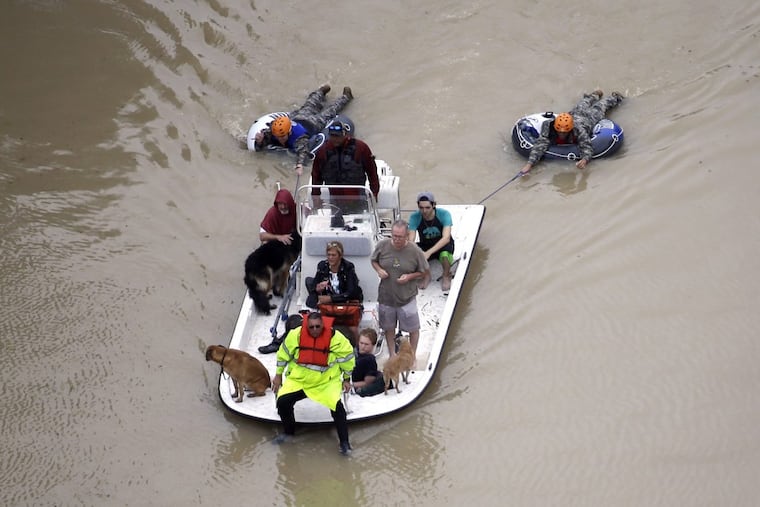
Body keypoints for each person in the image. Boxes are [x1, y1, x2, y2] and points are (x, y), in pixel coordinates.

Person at [272, 312, 356, 456]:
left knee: (338, 408)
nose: (315, 329)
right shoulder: (295, 335)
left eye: (318, 326)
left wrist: (347, 379)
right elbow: (283, 354)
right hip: (301, 380)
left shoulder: (337, 339)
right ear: (306, 326)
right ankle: (289, 433)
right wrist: (278, 375)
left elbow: (347, 360)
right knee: (282, 402)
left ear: (323, 325)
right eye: (311, 327)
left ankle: (344, 443)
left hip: (326, 381)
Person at [253, 84, 354, 176]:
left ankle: (346, 97)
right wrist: (260, 141)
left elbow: (303, 152)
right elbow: (260, 147)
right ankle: (321, 92)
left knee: (330, 111)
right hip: (299, 116)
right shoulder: (274, 131)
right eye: (278, 137)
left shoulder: (299, 138)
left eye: (283, 136)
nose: (280, 139)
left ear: (289, 132)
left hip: (313, 123)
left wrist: (299, 165)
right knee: (310, 104)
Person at [520, 89, 625, 175]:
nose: (562, 134)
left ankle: (616, 97)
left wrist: (584, 160)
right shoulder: (548, 126)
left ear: (569, 129)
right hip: (574, 114)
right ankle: (595, 95)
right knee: (583, 103)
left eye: (564, 132)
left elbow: (587, 146)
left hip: (589, 119)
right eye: (559, 131)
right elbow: (540, 144)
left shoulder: (579, 130)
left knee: (601, 106)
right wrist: (529, 165)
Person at [370, 220, 429, 360]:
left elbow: (424, 271)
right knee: (388, 327)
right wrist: (379, 270)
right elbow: (373, 260)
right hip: (386, 297)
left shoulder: (415, 251)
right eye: (394, 236)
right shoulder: (382, 245)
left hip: (406, 298)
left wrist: (409, 277)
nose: (396, 239)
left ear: (407, 236)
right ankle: (392, 353)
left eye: (400, 237)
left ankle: (412, 355)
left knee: (413, 329)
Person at [310, 120, 379, 210]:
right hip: (335, 201)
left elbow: (372, 172)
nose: (335, 139)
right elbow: (316, 175)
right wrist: (316, 196)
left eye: (337, 136)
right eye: (332, 136)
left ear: (345, 135)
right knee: (336, 222)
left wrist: (374, 193)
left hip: (358, 199)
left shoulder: (361, 148)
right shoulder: (323, 151)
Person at [305, 241, 363, 339]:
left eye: (333, 255)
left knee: (353, 328)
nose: (330, 257)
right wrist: (318, 287)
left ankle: (357, 348)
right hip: (327, 305)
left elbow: (350, 292)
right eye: (329, 255)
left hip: (344, 302)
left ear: (340, 256)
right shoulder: (322, 266)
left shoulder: (348, 267)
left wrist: (331, 298)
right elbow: (314, 285)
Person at [407, 191, 455, 292]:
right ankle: (426, 275)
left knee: (445, 255)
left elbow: (446, 238)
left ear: (434, 205)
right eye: (421, 208)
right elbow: (411, 240)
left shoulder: (444, 214)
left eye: (427, 207)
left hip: (443, 244)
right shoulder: (414, 217)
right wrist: (420, 253)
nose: (424, 211)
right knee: (412, 254)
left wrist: (429, 253)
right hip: (426, 244)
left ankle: (446, 275)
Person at [351, 328, 385, 397]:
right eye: (361, 343)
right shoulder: (355, 351)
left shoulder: (370, 360)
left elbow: (368, 382)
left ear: (373, 345)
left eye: (366, 344)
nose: (363, 347)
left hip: (355, 384)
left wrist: (351, 384)